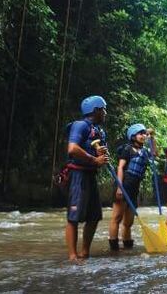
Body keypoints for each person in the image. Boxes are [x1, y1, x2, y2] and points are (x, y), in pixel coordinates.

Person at [65, 95, 109, 262]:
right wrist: (94, 159)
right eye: (103, 109)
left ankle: (85, 253)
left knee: (94, 216)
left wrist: (100, 155)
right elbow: (72, 148)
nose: (105, 113)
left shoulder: (98, 131)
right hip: (78, 176)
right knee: (73, 217)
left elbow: (99, 157)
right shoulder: (80, 126)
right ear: (95, 110)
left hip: (90, 175)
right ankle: (72, 256)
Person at [108, 123, 155, 251]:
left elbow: (154, 153)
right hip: (124, 184)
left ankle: (127, 246)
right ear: (133, 136)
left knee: (129, 222)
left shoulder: (144, 152)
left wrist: (152, 138)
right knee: (117, 217)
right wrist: (119, 187)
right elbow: (120, 167)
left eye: (144, 134)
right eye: (141, 134)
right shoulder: (127, 149)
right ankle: (114, 247)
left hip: (135, 187)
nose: (143, 136)